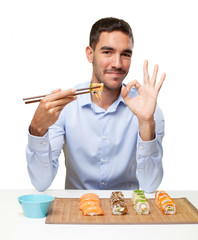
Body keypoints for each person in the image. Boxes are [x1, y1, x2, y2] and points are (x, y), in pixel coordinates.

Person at [26, 17, 166, 193]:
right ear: (90, 54)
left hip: (128, 211)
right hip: (77, 210)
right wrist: (37, 130)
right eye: (107, 52)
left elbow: (150, 185)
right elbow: (41, 182)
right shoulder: (65, 107)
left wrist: (146, 122)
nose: (117, 63)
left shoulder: (148, 110)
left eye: (125, 54)